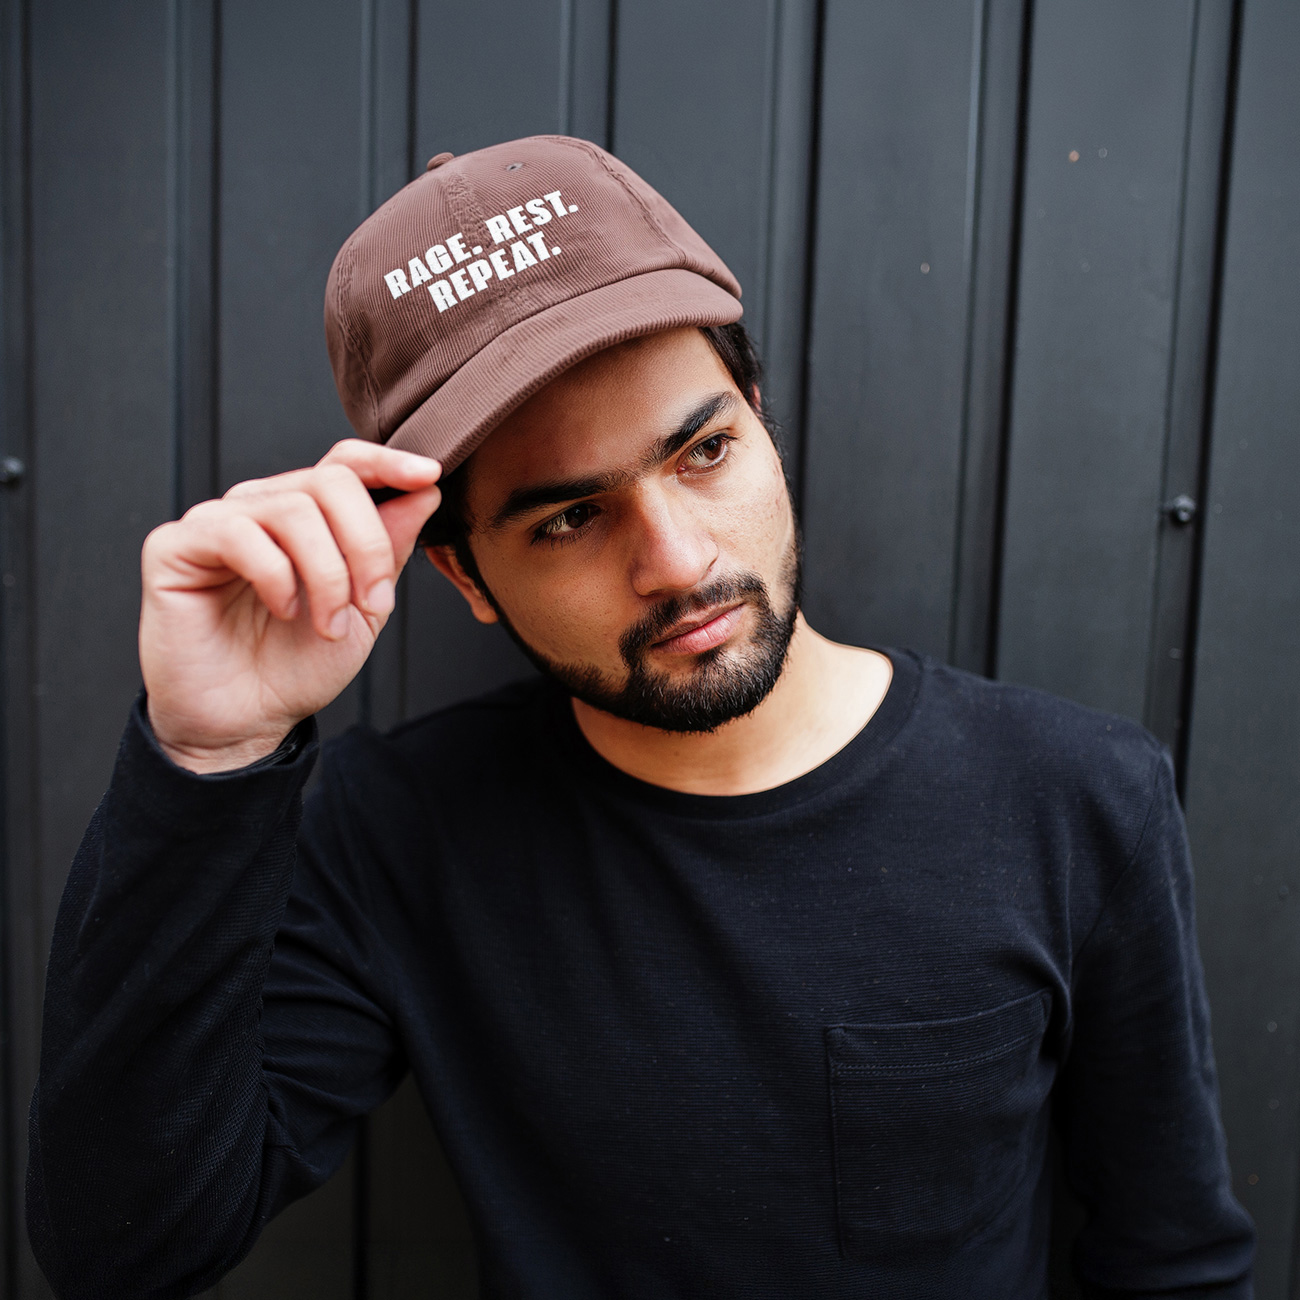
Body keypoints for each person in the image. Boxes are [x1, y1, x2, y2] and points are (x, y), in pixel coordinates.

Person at [28, 136, 1253, 1299]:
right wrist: (204, 757)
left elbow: (1171, 1259)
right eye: (567, 518)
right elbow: (123, 1247)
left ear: (760, 417)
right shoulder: (396, 834)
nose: (673, 559)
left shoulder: (1076, 796)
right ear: (463, 576)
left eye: (703, 451)